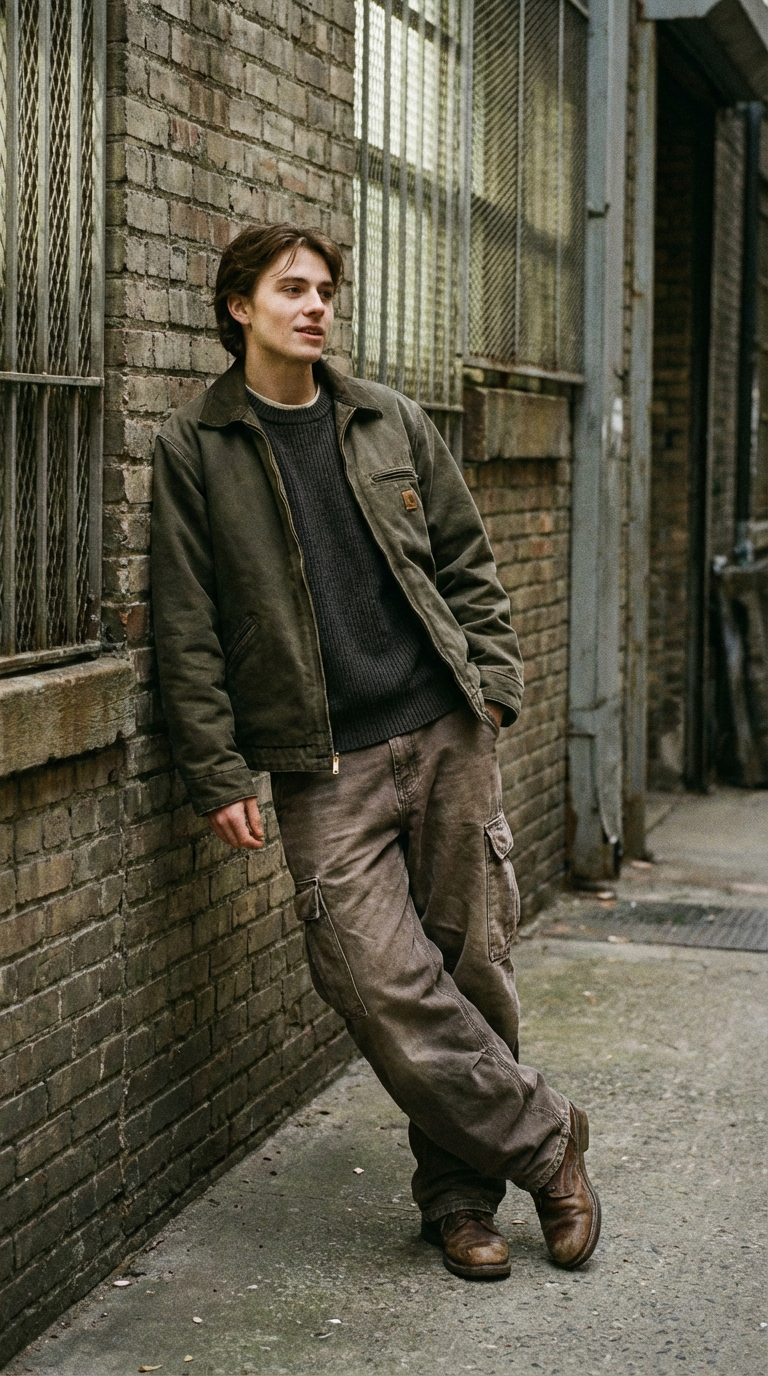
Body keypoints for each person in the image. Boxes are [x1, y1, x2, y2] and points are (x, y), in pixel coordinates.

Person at [150, 222, 601, 1281]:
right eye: (291, 288)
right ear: (238, 306)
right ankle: (549, 1142)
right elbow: (187, 623)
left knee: (471, 965)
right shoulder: (196, 447)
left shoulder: (386, 418)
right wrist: (217, 771)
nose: (315, 306)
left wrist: (490, 686)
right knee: (378, 980)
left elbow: (466, 557)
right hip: (323, 763)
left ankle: (458, 1202)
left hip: (442, 730)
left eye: (326, 290)